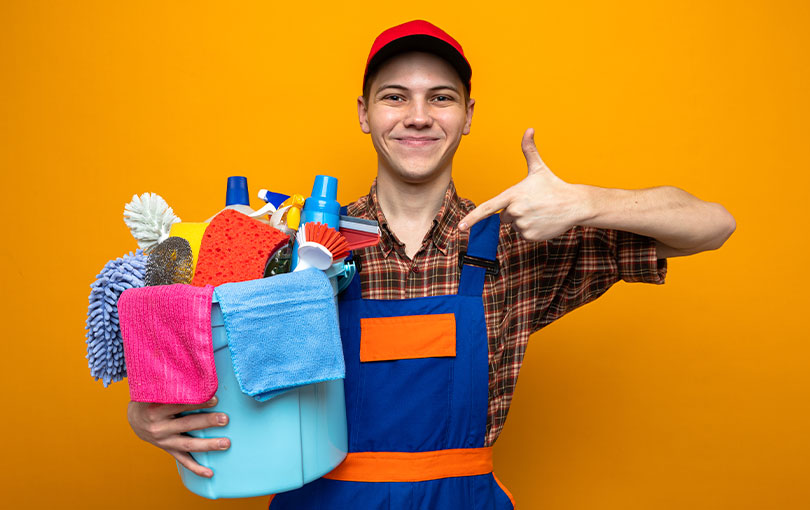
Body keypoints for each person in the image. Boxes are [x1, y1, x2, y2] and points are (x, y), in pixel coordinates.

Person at [127, 20, 735, 509]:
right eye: (396, 97)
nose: (418, 115)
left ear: (468, 115)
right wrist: (147, 413)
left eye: (440, 98)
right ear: (365, 113)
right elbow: (206, 356)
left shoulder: (521, 243)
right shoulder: (288, 251)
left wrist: (585, 202)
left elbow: (712, 226)